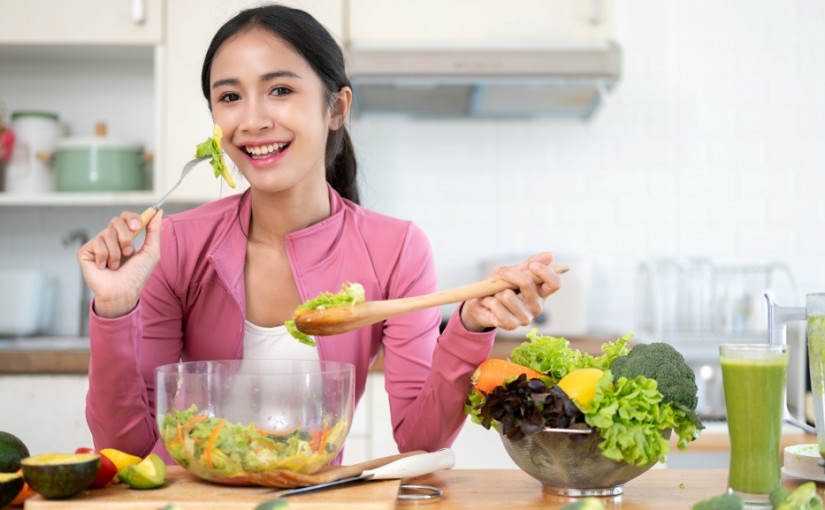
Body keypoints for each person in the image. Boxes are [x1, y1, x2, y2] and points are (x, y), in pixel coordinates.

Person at [78, 4, 562, 462]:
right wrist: (115, 308)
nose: (253, 121)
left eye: (280, 90)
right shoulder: (176, 244)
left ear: (336, 108)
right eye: (229, 97)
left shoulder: (395, 249)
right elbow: (127, 448)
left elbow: (420, 438)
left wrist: (471, 326)